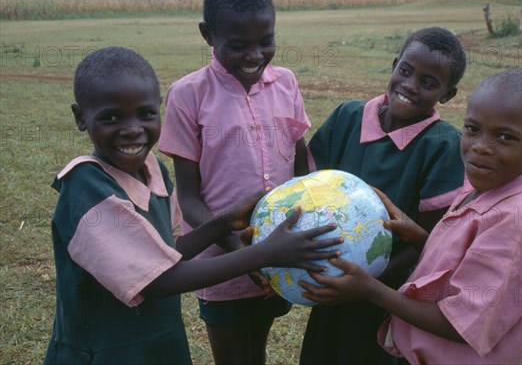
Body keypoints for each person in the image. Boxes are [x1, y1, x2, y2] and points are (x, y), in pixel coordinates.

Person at [44, 46, 342, 365]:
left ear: (160, 110)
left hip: (160, 346)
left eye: (145, 114)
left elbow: (171, 252)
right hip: (104, 353)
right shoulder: (85, 185)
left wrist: (224, 221)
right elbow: (158, 280)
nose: (132, 129)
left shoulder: (153, 171)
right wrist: (266, 253)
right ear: (80, 118)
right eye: (112, 117)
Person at [301, 69, 522, 365]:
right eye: (473, 129)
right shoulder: (483, 191)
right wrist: (416, 234)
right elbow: (457, 268)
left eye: (505, 137)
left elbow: (459, 323)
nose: (480, 147)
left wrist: (371, 290)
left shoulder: (516, 221)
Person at [157, 0, 312, 365]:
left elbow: (301, 163)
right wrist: (241, 251)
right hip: (220, 260)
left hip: (278, 254)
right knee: (231, 355)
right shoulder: (187, 95)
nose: (255, 56)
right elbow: (189, 198)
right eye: (239, 45)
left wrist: (275, 249)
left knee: (256, 345)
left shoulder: (287, 83)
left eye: (266, 42)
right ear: (208, 34)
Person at [300, 27, 467, 365]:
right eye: (405, 70)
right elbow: (306, 191)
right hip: (332, 285)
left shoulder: (443, 143)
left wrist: (367, 284)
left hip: (392, 297)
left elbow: (430, 241)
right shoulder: (347, 117)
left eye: (428, 82)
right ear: (394, 65)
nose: (410, 85)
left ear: (447, 95)